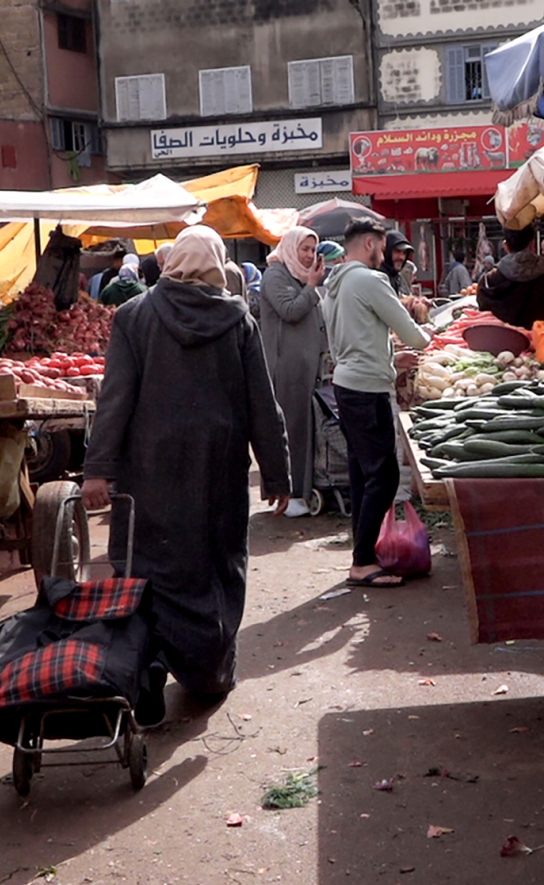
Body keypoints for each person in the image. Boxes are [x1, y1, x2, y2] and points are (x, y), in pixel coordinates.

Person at [81, 225, 291, 721]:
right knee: (214, 566)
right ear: (217, 264)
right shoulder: (238, 318)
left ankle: (148, 673)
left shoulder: (134, 316)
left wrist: (99, 470)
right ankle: (209, 673)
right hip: (215, 470)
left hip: (148, 469)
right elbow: (262, 404)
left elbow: (115, 399)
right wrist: (278, 475)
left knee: (146, 570)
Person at [322, 217, 432, 588]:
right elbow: (413, 336)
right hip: (366, 390)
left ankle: (363, 555)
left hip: (347, 384)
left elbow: (355, 337)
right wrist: (425, 335)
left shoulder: (333, 283)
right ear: (369, 243)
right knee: (383, 477)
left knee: (362, 475)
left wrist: (388, 359)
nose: (383, 255)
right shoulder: (369, 280)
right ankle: (362, 562)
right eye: (383, 247)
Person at [259, 225, 327, 518]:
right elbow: (290, 311)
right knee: (292, 431)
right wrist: (312, 286)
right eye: (305, 249)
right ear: (290, 248)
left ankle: (301, 489)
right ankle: (291, 494)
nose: (310, 255)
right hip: (286, 367)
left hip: (306, 367)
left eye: (313, 250)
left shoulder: (298, 275)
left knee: (305, 429)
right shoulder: (275, 275)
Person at [476, 225, 544, 328]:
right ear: (532, 244)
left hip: (502, 340)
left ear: (505, 246)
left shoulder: (488, 280)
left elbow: (482, 306)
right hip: (539, 339)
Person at [378, 230, 414, 295]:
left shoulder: (395, 276)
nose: (401, 257)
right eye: (397, 251)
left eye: (404, 253)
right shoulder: (379, 277)